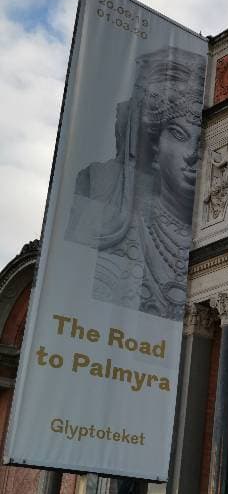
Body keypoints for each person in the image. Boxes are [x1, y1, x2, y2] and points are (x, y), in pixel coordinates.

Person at [65, 46, 206, 321]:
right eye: (178, 134)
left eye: (200, 142)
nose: (191, 154)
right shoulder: (111, 219)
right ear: (154, 147)